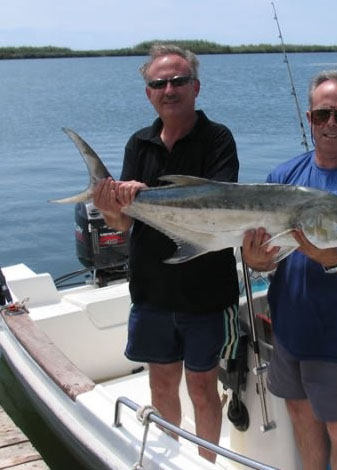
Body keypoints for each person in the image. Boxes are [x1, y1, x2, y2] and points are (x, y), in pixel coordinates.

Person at [242, 70, 337, 470]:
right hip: (291, 328)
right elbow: (267, 255)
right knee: (299, 415)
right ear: (309, 118)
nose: (331, 124)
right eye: (321, 115)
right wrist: (257, 260)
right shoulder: (283, 177)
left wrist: (331, 258)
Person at [92, 44, 239, 463]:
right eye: (159, 83)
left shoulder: (217, 138)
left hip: (206, 292)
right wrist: (111, 205)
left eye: (178, 81)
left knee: (202, 387)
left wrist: (149, 196)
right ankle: (173, 460)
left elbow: (219, 202)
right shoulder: (138, 143)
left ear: (196, 87)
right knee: (161, 385)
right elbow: (124, 224)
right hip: (152, 288)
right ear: (148, 93)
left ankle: (204, 462)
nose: (168, 89)